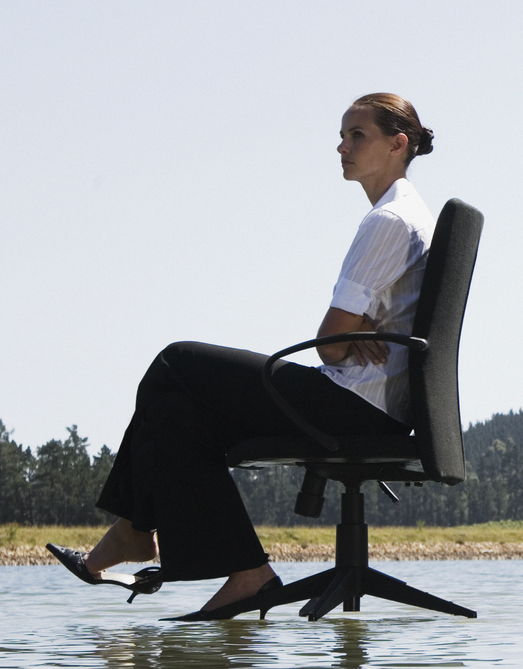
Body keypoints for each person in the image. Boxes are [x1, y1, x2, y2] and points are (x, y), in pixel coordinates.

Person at [47, 93, 438, 620]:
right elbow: (345, 335)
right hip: (370, 401)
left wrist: (353, 330)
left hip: (355, 404)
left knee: (175, 362)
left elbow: (330, 339)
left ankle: (136, 531)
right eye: (342, 135)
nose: (341, 146)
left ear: (398, 144)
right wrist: (357, 329)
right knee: (173, 414)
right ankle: (243, 572)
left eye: (356, 136)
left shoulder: (389, 221)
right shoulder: (410, 216)